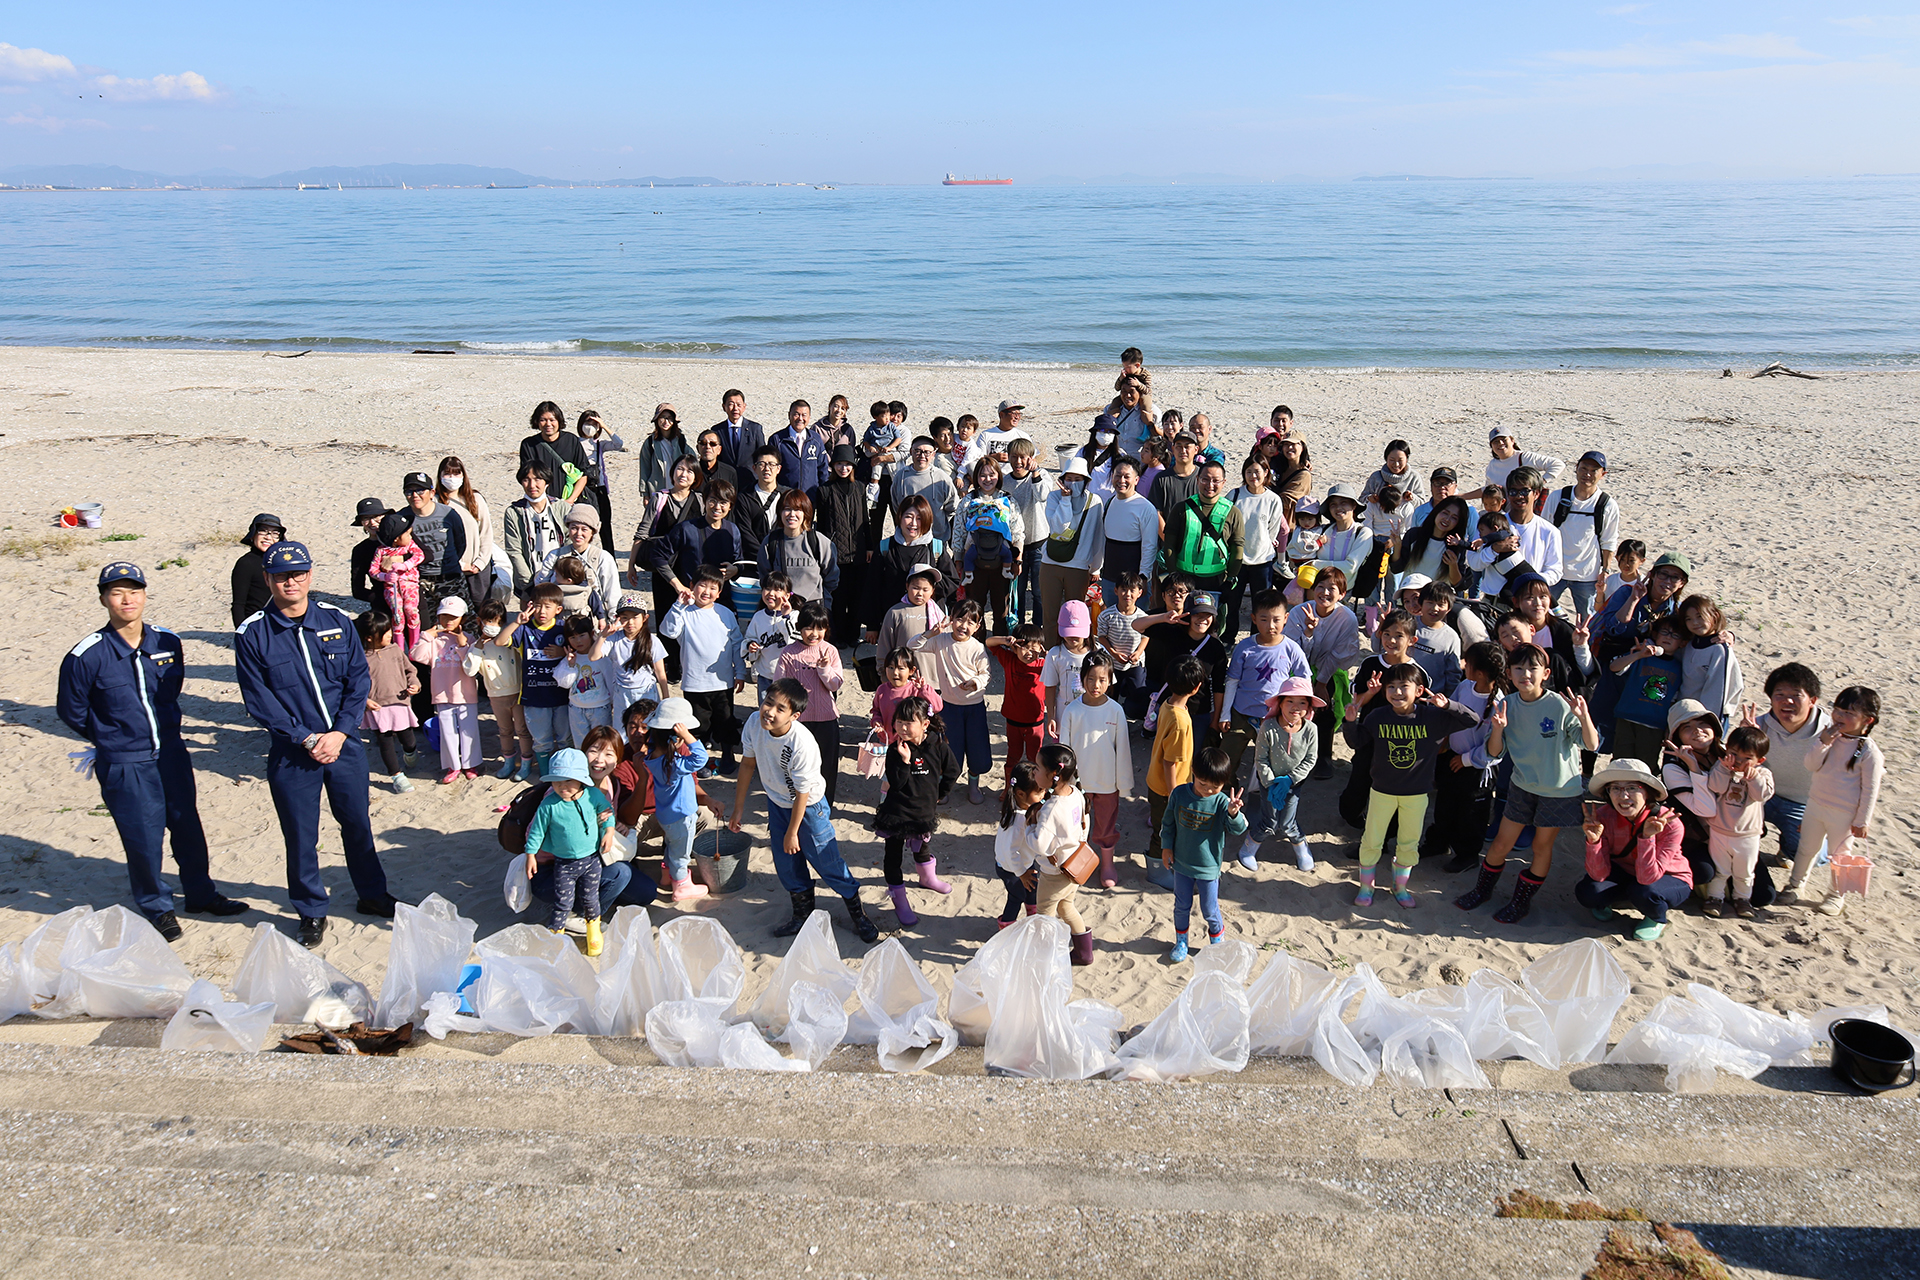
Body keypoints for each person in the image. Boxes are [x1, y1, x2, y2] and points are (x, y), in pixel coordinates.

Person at [58, 562, 247, 941]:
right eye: (117, 592)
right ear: (103, 599)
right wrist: (111, 737)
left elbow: (171, 692)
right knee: (142, 838)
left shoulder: (167, 643)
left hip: (171, 754)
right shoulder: (86, 655)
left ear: (145, 595)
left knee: (188, 827)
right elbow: (71, 710)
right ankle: (156, 906)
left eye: (134, 591)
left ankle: (200, 894)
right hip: (125, 762)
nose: (127, 599)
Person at [233, 542, 394, 947]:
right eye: (282, 575)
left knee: (357, 823)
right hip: (293, 753)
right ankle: (310, 909)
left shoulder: (338, 621)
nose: (291, 582)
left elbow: (358, 680)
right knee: (301, 834)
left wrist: (339, 733)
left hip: (345, 745)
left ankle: (372, 894)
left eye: (299, 574)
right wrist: (306, 738)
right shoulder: (253, 633)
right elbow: (259, 701)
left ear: (310, 576)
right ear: (268, 579)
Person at [1453, 644, 1597, 924]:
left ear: (1545, 673)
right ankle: (1482, 891)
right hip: (1522, 786)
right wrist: (1497, 728)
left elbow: (1590, 743)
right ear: (1509, 673)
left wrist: (1584, 717)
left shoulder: (1557, 704)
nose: (1525, 674)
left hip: (1558, 791)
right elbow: (1495, 753)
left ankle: (1521, 901)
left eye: (1532, 668)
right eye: (1518, 668)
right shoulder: (1508, 705)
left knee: (1541, 847)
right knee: (1499, 844)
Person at [732, 678, 880, 943]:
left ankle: (858, 913)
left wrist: (793, 832)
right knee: (787, 865)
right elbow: (747, 765)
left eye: (780, 709)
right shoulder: (754, 723)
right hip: (777, 804)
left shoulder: (802, 743)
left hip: (809, 808)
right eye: (768, 703)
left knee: (827, 862)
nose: (770, 712)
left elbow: (803, 792)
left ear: (795, 715)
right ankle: (802, 914)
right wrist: (738, 809)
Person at [1347, 663, 1477, 908]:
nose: (1396, 692)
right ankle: (1366, 886)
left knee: (1408, 842)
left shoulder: (1433, 717)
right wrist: (1350, 721)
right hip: (1382, 791)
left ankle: (1400, 887)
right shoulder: (1378, 716)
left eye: (1403, 687)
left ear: (1419, 691)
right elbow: (1356, 742)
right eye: (1391, 687)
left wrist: (1448, 705)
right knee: (1372, 839)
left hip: (1416, 794)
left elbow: (1473, 719)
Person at [1780, 686, 1883, 917]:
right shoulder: (1829, 737)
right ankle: (1795, 885)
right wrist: (1823, 742)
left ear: (1867, 720)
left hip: (1844, 814)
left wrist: (1862, 820)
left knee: (1841, 855)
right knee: (1806, 848)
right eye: (1837, 710)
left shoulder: (1868, 751)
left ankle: (1836, 896)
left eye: (1849, 713)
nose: (1840, 717)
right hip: (1815, 804)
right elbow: (1810, 765)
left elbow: (1870, 790)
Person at [1575, 758, 1690, 942]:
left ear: (1647, 792)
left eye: (1632, 788)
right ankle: (1624, 896)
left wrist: (1646, 837)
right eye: (1616, 788)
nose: (1623, 796)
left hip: (1667, 875)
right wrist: (1593, 841)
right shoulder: (1603, 816)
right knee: (1588, 893)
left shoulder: (1669, 822)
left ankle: (1656, 918)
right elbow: (1598, 874)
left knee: (1645, 893)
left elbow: (1648, 878)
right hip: (1626, 871)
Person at [874, 695, 960, 925]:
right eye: (898, 722)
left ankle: (928, 879)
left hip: (923, 813)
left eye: (908, 722)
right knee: (893, 857)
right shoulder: (895, 750)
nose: (902, 727)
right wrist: (905, 761)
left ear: (924, 723)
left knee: (922, 848)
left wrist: (939, 794)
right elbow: (897, 783)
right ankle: (900, 901)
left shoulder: (938, 745)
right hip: (896, 813)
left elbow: (953, 770)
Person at [1423, 641, 1507, 872]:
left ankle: (1468, 855)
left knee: (1471, 814)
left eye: (1467, 663)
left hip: (1477, 768)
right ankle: (1438, 843)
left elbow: (1495, 747)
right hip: (1452, 758)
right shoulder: (1465, 686)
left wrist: (1467, 759)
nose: (1463, 665)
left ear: (1479, 672)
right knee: (1445, 805)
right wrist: (1445, 742)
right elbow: (1453, 715)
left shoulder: (1499, 703)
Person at [522, 747, 613, 957]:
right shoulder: (549, 804)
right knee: (563, 902)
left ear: (581, 779)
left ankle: (593, 933)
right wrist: (530, 855)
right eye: (557, 781)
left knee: (591, 898)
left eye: (568, 781)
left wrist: (608, 830)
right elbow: (536, 831)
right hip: (564, 864)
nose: (562, 786)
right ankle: (557, 938)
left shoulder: (592, 795)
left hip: (591, 860)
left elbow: (607, 812)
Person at [1160, 747, 1247, 961]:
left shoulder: (1222, 802)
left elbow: (1238, 828)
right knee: (1182, 905)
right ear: (1193, 774)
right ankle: (1181, 942)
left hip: (1208, 866)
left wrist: (1233, 813)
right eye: (1202, 784)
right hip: (1181, 864)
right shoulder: (1179, 794)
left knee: (1210, 908)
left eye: (1215, 786)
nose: (1207, 790)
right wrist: (1166, 847)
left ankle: (1217, 943)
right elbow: (1168, 823)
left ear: (1224, 784)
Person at [660, 566, 746, 778]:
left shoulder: (725, 614)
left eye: (713, 587)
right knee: (699, 723)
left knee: (725, 719)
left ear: (719, 592)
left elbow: (736, 645)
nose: (706, 591)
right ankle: (701, 758)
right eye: (702, 585)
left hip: (722, 681)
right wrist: (678, 604)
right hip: (694, 682)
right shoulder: (684, 612)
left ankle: (727, 754)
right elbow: (667, 631)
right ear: (691, 586)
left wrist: (741, 673)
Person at [1213, 588, 1312, 773]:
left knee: (1273, 765)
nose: (1270, 626)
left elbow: (1304, 682)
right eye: (1264, 620)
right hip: (1241, 714)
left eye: (1276, 620)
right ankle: (1225, 796)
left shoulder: (1292, 649)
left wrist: (1300, 714)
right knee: (1226, 762)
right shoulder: (1244, 647)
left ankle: (1264, 798)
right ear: (1253, 619)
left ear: (1286, 618)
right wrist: (1225, 714)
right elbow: (1232, 681)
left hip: (1275, 717)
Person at [907, 600, 993, 803]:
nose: (964, 626)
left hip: (974, 706)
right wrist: (931, 633)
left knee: (977, 749)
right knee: (949, 749)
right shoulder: (940, 640)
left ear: (978, 626)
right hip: (948, 707)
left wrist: (974, 683)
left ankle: (973, 785)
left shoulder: (977, 647)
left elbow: (986, 674)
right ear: (951, 619)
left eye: (971, 622)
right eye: (960, 619)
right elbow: (912, 645)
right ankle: (944, 787)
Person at [1748, 662, 1829, 875]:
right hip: (1763, 796)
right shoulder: (1758, 725)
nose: (1787, 701)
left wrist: (1819, 814)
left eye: (1796, 695)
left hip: (1803, 804)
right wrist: (1746, 738)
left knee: (1817, 857)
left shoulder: (1829, 732)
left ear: (1812, 700)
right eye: (1779, 694)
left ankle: (1786, 847)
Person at [1060, 652, 1132, 888]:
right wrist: (1063, 782)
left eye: (1102, 679)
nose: (1096, 685)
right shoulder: (1072, 710)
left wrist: (1123, 784)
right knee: (1076, 825)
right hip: (1078, 784)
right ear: (1082, 679)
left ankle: (1107, 863)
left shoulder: (1115, 711)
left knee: (1105, 824)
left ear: (1110, 681)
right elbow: (1064, 750)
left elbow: (1122, 749)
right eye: (1091, 678)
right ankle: (1079, 861)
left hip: (1106, 782)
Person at [1233, 679, 1321, 871]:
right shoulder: (1268, 727)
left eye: (1302, 702)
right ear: (1280, 703)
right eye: (1290, 701)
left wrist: (1290, 780)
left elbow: (1310, 760)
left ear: (1309, 707)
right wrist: (1271, 783)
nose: (1295, 707)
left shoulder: (1311, 730)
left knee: (1288, 823)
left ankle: (1302, 850)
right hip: (1269, 784)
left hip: (1293, 784)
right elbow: (1261, 759)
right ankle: (1248, 850)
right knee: (1269, 821)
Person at [1689, 725, 1773, 919]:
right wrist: (1725, 770)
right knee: (1721, 870)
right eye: (1734, 754)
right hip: (1720, 831)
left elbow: (1761, 795)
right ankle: (1714, 898)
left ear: (1759, 760)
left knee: (1744, 872)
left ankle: (1742, 899)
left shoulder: (1763, 775)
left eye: (1747, 758)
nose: (1739, 762)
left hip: (1747, 835)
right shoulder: (1721, 768)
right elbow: (1715, 787)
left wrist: (1752, 778)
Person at [1284, 566, 1361, 777]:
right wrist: (1308, 633)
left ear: (1342, 594)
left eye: (1332, 588)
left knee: (1326, 704)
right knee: (1296, 702)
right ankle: (1295, 751)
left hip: (1330, 670)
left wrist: (1322, 682)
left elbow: (1340, 654)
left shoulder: (1347, 618)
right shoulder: (1300, 612)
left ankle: (1323, 755)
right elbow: (1292, 649)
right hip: (1300, 668)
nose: (1325, 592)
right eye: (1320, 586)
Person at [639, 696, 711, 903]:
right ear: (675, 738)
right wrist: (687, 735)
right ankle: (681, 885)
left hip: (666, 815)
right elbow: (701, 758)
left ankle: (666, 874)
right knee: (682, 852)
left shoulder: (653, 758)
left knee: (672, 845)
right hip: (681, 816)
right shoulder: (674, 765)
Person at [1030, 743, 1095, 966]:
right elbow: (1084, 825)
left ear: (1053, 775)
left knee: (1044, 917)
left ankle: (1045, 959)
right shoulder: (1076, 793)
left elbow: (1040, 845)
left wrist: (1029, 829)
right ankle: (1084, 953)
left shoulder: (1051, 810)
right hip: (1074, 866)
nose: (1034, 772)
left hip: (1054, 874)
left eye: (1038, 768)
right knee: (1066, 906)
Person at [775, 600, 845, 806]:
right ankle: (794, 805)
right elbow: (779, 688)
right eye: (809, 628)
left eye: (820, 628)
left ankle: (824, 806)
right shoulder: (788, 653)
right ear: (800, 628)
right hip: (798, 722)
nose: (814, 633)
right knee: (796, 767)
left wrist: (824, 669)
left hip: (826, 719)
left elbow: (835, 684)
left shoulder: (830, 651)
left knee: (826, 767)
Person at [863, 496, 956, 642]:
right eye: (908, 517)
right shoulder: (885, 548)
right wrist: (872, 626)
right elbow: (872, 588)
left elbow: (952, 582)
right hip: (894, 622)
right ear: (899, 517)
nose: (913, 523)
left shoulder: (935, 548)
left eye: (919, 518)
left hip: (929, 624)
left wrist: (926, 589)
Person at [1146, 656, 1207, 877]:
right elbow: (1170, 761)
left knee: (1161, 824)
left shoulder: (1167, 704)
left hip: (1156, 783)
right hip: (1167, 789)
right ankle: (1156, 871)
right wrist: (1174, 795)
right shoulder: (1180, 722)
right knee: (1163, 832)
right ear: (1196, 687)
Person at [410, 597, 483, 783]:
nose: (448, 621)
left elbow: (471, 665)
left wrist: (462, 645)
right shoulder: (434, 641)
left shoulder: (470, 639)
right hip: (442, 694)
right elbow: (415, 655)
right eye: (444, 616)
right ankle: (453, 766)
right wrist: (426, 635)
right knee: (448, 732)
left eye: (454, 617)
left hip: (466, 694)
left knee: (469, 732)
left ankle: (470, 764)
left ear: (463, 619)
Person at [810, 444, 875, 644]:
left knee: (857, 596)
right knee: (838, 597)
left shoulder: (860, 488)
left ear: (853, 466)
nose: (843, 468)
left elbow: (865, 519)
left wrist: (870, 546)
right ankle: (836, 636)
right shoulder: (824, 490)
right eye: (839, 464)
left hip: (858, 551)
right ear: (833, 466)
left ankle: (853, 634)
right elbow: (820, 524)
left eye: (847, 464)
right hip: (834, 552)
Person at [955, 454, 1025, 634]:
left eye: (991, 475)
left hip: (1002, 563)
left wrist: (1018, 559)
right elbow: (959, 532)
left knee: (1001, 607)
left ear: (999, 476)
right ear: (976, 477)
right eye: (982, 475)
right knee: (974, 606)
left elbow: (1018, 532)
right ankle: (976, 643)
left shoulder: (1007, 500)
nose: (987, 479)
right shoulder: (968, 501)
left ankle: (999, 644)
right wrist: (958, 560)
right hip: (974, 563)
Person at [1161, 457, 1245, 607]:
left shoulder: (1233, 512)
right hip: (1184, 579)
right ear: (1198, 479)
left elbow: (1237, 548)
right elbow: (1169, 544)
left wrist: (1230, 579)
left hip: (1216, 580)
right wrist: (1174, 575)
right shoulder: (1181, 508)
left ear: (1223, 483)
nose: (1210, 485)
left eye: (1215, 481)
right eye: (1205, 479)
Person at [1038, 457, 1105, 646]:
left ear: (1086, 481)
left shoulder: (1094, 502)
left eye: (1078, 479)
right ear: (1062, 479)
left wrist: (1096, 567)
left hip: (1079, 566)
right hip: (1050, 563)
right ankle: (1051, 653)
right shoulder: (1054, 497)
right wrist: (1065, 500)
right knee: (1050, 615)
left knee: (1076, 615)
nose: (1073, 484)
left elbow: (1098, 537)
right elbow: (1059, 527)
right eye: (1069, 479)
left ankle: (1076, 655)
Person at [1608, 615, 1687, 770]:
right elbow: (1614, 667)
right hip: (1627, 717)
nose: (1668, 637)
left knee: (1647, 764)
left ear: (1682, 643)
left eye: (1675, 635)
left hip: (1654, 724)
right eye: (1665, 632)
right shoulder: (1641, 657)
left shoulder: (1679, 668)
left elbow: (1675, 699)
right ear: (1655, 635)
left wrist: (1668, 728)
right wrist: (1638, 655)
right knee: (1621, 762)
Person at [1546, 451, 1619, 617]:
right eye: (1584, 468)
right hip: (1555, 571)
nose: (1587, 474)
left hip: (1588, 575)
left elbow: (1609, 542)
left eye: (1594, 470)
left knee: (1588, 620)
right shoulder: (1557, 497)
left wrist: (1605, 571)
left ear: (1603, 474)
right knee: (1542, 614)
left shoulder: (1607, 505)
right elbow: (1544, 532)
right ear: (1576, 468)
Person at [1221, 458, 1285, 646]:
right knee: (1232, 603)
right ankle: (1228, 640)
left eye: (1257, 471)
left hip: (1262, 561)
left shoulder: (1273, 499)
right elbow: (1225, 522)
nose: (1253, 476)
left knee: (1262, 606)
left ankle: (1258, 640)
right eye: (1248, 472)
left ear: (1266, 473)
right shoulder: (1235, 495)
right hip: (1237, 560)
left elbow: (1272, 529)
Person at [355, 609, 420, 792]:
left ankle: (410, 752)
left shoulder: (395, 650)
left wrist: (414, 684)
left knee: (408, 739)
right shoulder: (361, 658)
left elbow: (410, 670)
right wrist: (365, 701)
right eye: (385, 632)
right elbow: (355, 684)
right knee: (385, 743)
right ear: (369, 637)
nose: (390, 634)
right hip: (378, 708)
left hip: (400, 702)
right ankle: (397, 776)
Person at [512, 582, 570, 780]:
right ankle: (545, 776)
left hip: (562, 697)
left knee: (564, 739)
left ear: (558, 609)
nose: (542, 611)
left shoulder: (564, 628)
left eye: (547, 606)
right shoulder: (524, 629)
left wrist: (562, 652)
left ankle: (562, 773)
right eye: (537, 605)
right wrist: (517, 622)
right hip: (534, 697)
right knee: (542, 741)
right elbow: (500, 641)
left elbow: (583, 649)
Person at [402, 471, 473, 620]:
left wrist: (450, 563)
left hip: (450, 577)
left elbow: (461, 543)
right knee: (427, 626)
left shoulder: (448, 514)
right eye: (410, 491)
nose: (415, 495)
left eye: (420, 490)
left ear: (432, 492)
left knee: (464, 622)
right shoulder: (401, 518)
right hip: (419, 580)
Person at [758, 489, 839, 616]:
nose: (791, 514)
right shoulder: (770, 543)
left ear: (806, 513)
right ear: (780, 512)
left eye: (797, 510)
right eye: (787, 509)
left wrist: (823, 601)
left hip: (814, 611)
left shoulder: (818, 541)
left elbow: (832, 577)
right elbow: (765, 577)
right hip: (781, 610)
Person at [537, 504, 621, 621]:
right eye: (574, 528)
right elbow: (541, 585)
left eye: (584, 529)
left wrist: (613, 619)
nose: (578, 533)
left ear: (592, 532)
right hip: (556, 619)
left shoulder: (603, 558)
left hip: (590, 619)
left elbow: (612, 593)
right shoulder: (555, 555)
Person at [475, 598, 530, 779]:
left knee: (522, 729)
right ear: (480, 621)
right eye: (489, 621)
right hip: (496, 694)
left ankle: (526, 763)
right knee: (504, 730)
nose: (493, 625)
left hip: (518, 691)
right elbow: (470, 669)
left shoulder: (508, 641)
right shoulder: (478, 646)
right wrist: (477, 647)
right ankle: (508, 762)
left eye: (498, 621)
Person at [985, 624, 1048, 777]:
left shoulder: (1045, 665)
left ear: (1040, 648)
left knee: (1035, 759)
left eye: (1034, 648)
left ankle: (1035, 789)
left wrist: (1048, 655)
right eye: (1024, 647)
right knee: (1013, 757)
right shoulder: (1010, 660)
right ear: (1015, 648)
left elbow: (1060, 663)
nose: (1029, 652)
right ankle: (1009, 788)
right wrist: (1006, 640)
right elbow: (989, 643)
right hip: (1013, 721)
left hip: (1036, 722)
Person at [435, 456, 496, 605]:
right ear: (440, 476)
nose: (452, 478)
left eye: (456, 474)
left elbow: (486, 533)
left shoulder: (475, 499)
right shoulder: (435, 502)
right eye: (447, 474)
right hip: (449, 569)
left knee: (480, 610)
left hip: (476, 568)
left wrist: (480, 562)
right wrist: (458, 564)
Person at [1003, 437, 1050, 626]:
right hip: (1015, 546)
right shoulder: (1005, 482)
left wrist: (1035, 472)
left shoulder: (1042, 475)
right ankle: (1019, 629)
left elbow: (1043, 495)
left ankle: (1038, 629)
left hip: (1039, 543)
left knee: (1039, 592)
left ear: (1031, 458)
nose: (1018, 462)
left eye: (1023, 457)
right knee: (1017, 591)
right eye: (1014, 457)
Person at [504, 462, 567, 604]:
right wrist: (529, 583)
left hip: (560, 578)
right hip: (529, 582)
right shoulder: (514, 512)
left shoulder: (561, 507)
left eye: (537, 479)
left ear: (547, 482)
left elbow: (569, 540)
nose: (532, 485)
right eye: (526, 480)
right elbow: (514, 550)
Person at [993, 763, 1046, 929]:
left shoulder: (1016, 809)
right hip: (1011, 869)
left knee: (1032, 890)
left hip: (1024, 864)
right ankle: (1006, 928)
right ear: (1021, 794)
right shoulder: (1019, 820)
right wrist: (1021, 874)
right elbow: (1012, 851)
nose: (1043, 795)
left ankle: (1033, 919)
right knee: (1016, 896)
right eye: (1039, 792)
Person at [1677, 593, 1743, 725]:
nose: (1695, 622)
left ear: (1715, 616)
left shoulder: (1719, 649)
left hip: (1709, 717)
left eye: (1700, 616)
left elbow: (1717, 692)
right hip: (1686, 712)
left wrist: (1708, 722)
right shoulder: (1689, 644)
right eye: (1688, 619)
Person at [605, 593, 667, 729]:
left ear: (645, 618)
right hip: (622, 692)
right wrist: (604, 635)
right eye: (625, 618)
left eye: (635, 617)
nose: (630, 622)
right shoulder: (614, 639)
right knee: (623, 729)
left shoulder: (652, 641)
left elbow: (660, 673)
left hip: (646, 691)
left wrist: (666, 697)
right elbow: (593, 656)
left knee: (647, 727)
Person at [554, 613, 615, 748]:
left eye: (582, 636)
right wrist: (570, 666)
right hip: (576, 708)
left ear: (591, 633)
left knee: (601, 743)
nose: (578, 641)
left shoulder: (601, 656)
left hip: (600, 708)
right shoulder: (570, 658)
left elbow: (610, 681)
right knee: (581, 745)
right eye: (573, 637)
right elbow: (564, 683)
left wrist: (613, 703)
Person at [878, 567, 947, 684]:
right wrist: (883, 674)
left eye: (925, 589)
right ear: (907, 586)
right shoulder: (896, 612)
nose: (920, 593)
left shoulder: (939, 614)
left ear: (932, 590)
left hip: (934, 679)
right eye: (915, 588)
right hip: (903, 680)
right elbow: (884, 645)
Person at [1098, 571, 1151, 719]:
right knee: (1110, 695)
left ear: (1139, 593)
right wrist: (1113, 653)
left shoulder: (1143, 617)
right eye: (1123, 589)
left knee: (1138, 694)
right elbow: (1101, 637)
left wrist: (1138, 653)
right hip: (1113, 663)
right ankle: (1109, 720)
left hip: (1135, 664)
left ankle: (1139, 720)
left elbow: (1146, 636)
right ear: (1116, 590)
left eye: (1132, 590)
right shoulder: (1106, 615)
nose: (1127, 594)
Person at [1497, 468, 1563, 586]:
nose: (1519, 496)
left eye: (1524, 491)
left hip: (1530, 599)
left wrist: (1531, 579)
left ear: (1536, 494)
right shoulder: (1494, 524)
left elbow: (1555, 571)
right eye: (1513, 492)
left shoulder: (1550, 531)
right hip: (1495, 601)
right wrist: (1494, 548)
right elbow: (1475, 563)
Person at [742, 572, 799, 703]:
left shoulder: (795, 616)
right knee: (765, 708)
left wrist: (785, 617)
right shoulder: (758, 617)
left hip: (788, 676)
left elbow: (793, 642)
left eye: (777, 590)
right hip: (765, 675)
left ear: (787, 595)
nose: (771, 593)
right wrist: (750, 645)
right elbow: (748, 638)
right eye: (767, 588)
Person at [1043, 601, 1096, 738]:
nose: (1073, 637)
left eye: (1077, 633)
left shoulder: (1098, 653)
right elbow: (1050, 686)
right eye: (1068, 632)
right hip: (1064, 718)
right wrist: (1051, 717)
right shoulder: (1055, 654)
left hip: (1091, 718)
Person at [893, 436, 958, 542]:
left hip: (937, 539)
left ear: (933, 454)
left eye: (927, 452)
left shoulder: (942, 478)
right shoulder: (900, 477)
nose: (922, 456)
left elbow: (952, 507)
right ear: (911, 452)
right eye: (917, 451)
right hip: (908, 539)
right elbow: (896, 505)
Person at [229, 512, 285, 627]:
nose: (268, 537)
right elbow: (238, 604)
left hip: (281, 624)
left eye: (275, 533)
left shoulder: (281, 562)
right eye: (263, 531)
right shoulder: (245, 563)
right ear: (253, 534)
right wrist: (243, 633)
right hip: (256, 625)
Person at [636, 403, 693, 512]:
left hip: (678, 489)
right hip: (657, 490)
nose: (666, 422)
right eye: (663, 417)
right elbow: (645, 469)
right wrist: (645, 494)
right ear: (657, 420)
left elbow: (692, 461)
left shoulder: (680, 440)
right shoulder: (649, 443)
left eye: (670, 418)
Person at [1315, 485, 1373, 591]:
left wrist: (1315, 564)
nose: (1338, 508)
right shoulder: (1323, 531)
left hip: (1344, 592)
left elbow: (1350, 567)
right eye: (1333, 504)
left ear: (1354, 505)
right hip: (1317, 589)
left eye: (1343, 503)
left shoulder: (1363, 533)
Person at [770, 399, 827, 494]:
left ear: (809, 417)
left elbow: (823, 469)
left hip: (810, 497)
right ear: (789, 415)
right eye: (796, 414)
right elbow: (772, 469)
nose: (800, 419)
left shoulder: (816, 439)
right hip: (785, 497)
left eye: (804, 415)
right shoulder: (777, 440)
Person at [1485, 428, 1566, 492]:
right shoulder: (1492, 465)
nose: (1500, 443)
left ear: (1512, 441)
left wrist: (1538, 484)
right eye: (1496, 441)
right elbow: (1487, 489)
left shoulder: (1525, 457)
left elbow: (1558, 464)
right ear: (1491, 446)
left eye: (1504, 439)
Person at [861, 398, 906, 513]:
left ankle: (898, 493)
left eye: (899, 416)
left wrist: (886, 453)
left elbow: (904, 453)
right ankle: (872, 496)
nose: (893, 418)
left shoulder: (901, 430)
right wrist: (872, 449)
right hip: (879, 469)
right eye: (892, 415)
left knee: (897, 513)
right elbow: (865, 443)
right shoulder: (872, 429)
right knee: (876, 517)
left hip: (891, 465)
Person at [1359, 439, 1428, 508]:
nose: (1396, 464)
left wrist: (1412, 498)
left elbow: (1422, 504)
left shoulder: (1414, 477)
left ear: (1406, 459)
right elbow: (1361, 501)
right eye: (1392, 460)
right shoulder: (1376, 477)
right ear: (1386, 459)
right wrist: (1369, 498)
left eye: (1400, 460)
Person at [712, 388, 767, 475]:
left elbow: (762, 455)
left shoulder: (755, 428)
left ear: (744, 407)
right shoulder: (717, 430)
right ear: (724, 407)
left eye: (739, 405)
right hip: (726, 478)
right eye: (731, 404)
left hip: (750, 478)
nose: (735, 408)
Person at [693, 428, 739, 493]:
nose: (708, 447)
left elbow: (733, 500)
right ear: (698, 448)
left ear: (719, 450)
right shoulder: (691, 471)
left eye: (713, 444)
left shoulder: (729, 473)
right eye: (703, 443)